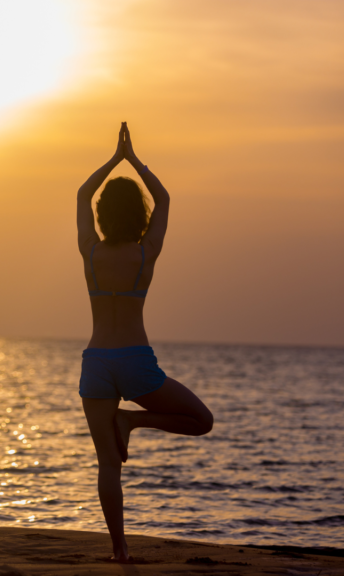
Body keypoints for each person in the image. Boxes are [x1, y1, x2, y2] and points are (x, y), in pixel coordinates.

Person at [76, 123, 214, 563]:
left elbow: (81, 195)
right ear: (138, 216)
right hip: (135, 360)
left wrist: (112, 161)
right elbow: (166, 199)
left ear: (102, 215)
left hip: (97, 361)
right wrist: (134, 160)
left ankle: (119, 550)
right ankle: (132, 422)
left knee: (107, 466)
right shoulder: (144, 254)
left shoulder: (90, 254)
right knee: (201, 420)